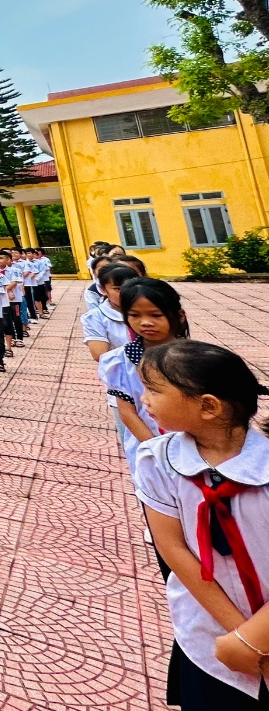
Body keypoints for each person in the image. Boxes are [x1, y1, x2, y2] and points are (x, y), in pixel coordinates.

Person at [133, 341, 269, 708]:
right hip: (207, 634)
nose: (144, 399)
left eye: (154, 390)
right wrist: (242, 636)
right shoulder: (157, 461)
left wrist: (259, 638)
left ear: (208, 406)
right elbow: (172, 548)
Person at [101, 277, 190, 474]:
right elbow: (127, 412)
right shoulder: (121, 361)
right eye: (134, 315)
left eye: (156, 315)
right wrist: (157, 450)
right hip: (148, 446)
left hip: (192, 446)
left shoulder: (194, 357)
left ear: (180, 316)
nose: (145, 322)